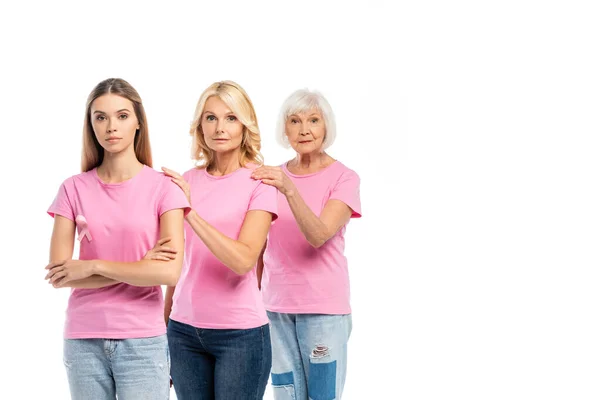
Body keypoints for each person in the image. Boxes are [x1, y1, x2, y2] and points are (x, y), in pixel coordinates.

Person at [45, 78, 190, 400]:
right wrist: (140, 268)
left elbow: (168, 273)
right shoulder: (73, 189)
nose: (112, 126)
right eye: (101, 117)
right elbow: (59, 274)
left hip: (143, 340)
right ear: (91, 125)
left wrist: (91, 265)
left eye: (122, 116)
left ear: (138, 121)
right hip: (83, 340)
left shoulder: (164, 188)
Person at [162, 80, 277, 399]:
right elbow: (177, 261)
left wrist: (191, 212)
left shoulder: (261, 182)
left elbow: (242, 261)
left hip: (240, 336)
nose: (219, 127)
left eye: (230, 117)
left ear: (245, 125)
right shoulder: (187, 180)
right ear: (200, 125)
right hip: (183, 332)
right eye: (210, 117)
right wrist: (162, 326)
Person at [252, 89, 362, 400]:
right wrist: (255, 300)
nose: (304, 130)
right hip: (276, 308)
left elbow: (319, 234)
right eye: (295, 121)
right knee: (286, 393)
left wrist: (289, 190)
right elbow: (259, 248)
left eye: (314, 120)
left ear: (326, 127)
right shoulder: (271, 178)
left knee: (321, 395)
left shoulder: (344, 178)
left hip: (324, 309)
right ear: (284, 129)